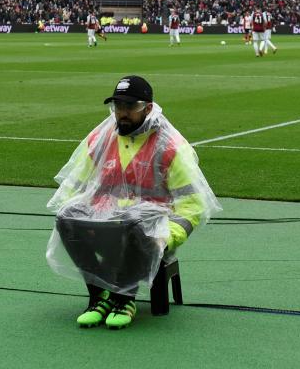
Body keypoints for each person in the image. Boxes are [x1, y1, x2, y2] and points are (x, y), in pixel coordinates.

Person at [46, 76, 221, 330]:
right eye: (118, 106)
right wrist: (75, 213)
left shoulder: (170, 146)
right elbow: (73, 187)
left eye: (130, 107)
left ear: (148, 108)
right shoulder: (101, 138)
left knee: (132, 221)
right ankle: (99, 294)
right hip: (106, 224)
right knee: (66, 217)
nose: (122, 113)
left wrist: (166, 236)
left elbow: (193, 205)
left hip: (147, 229)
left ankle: (124, 298)